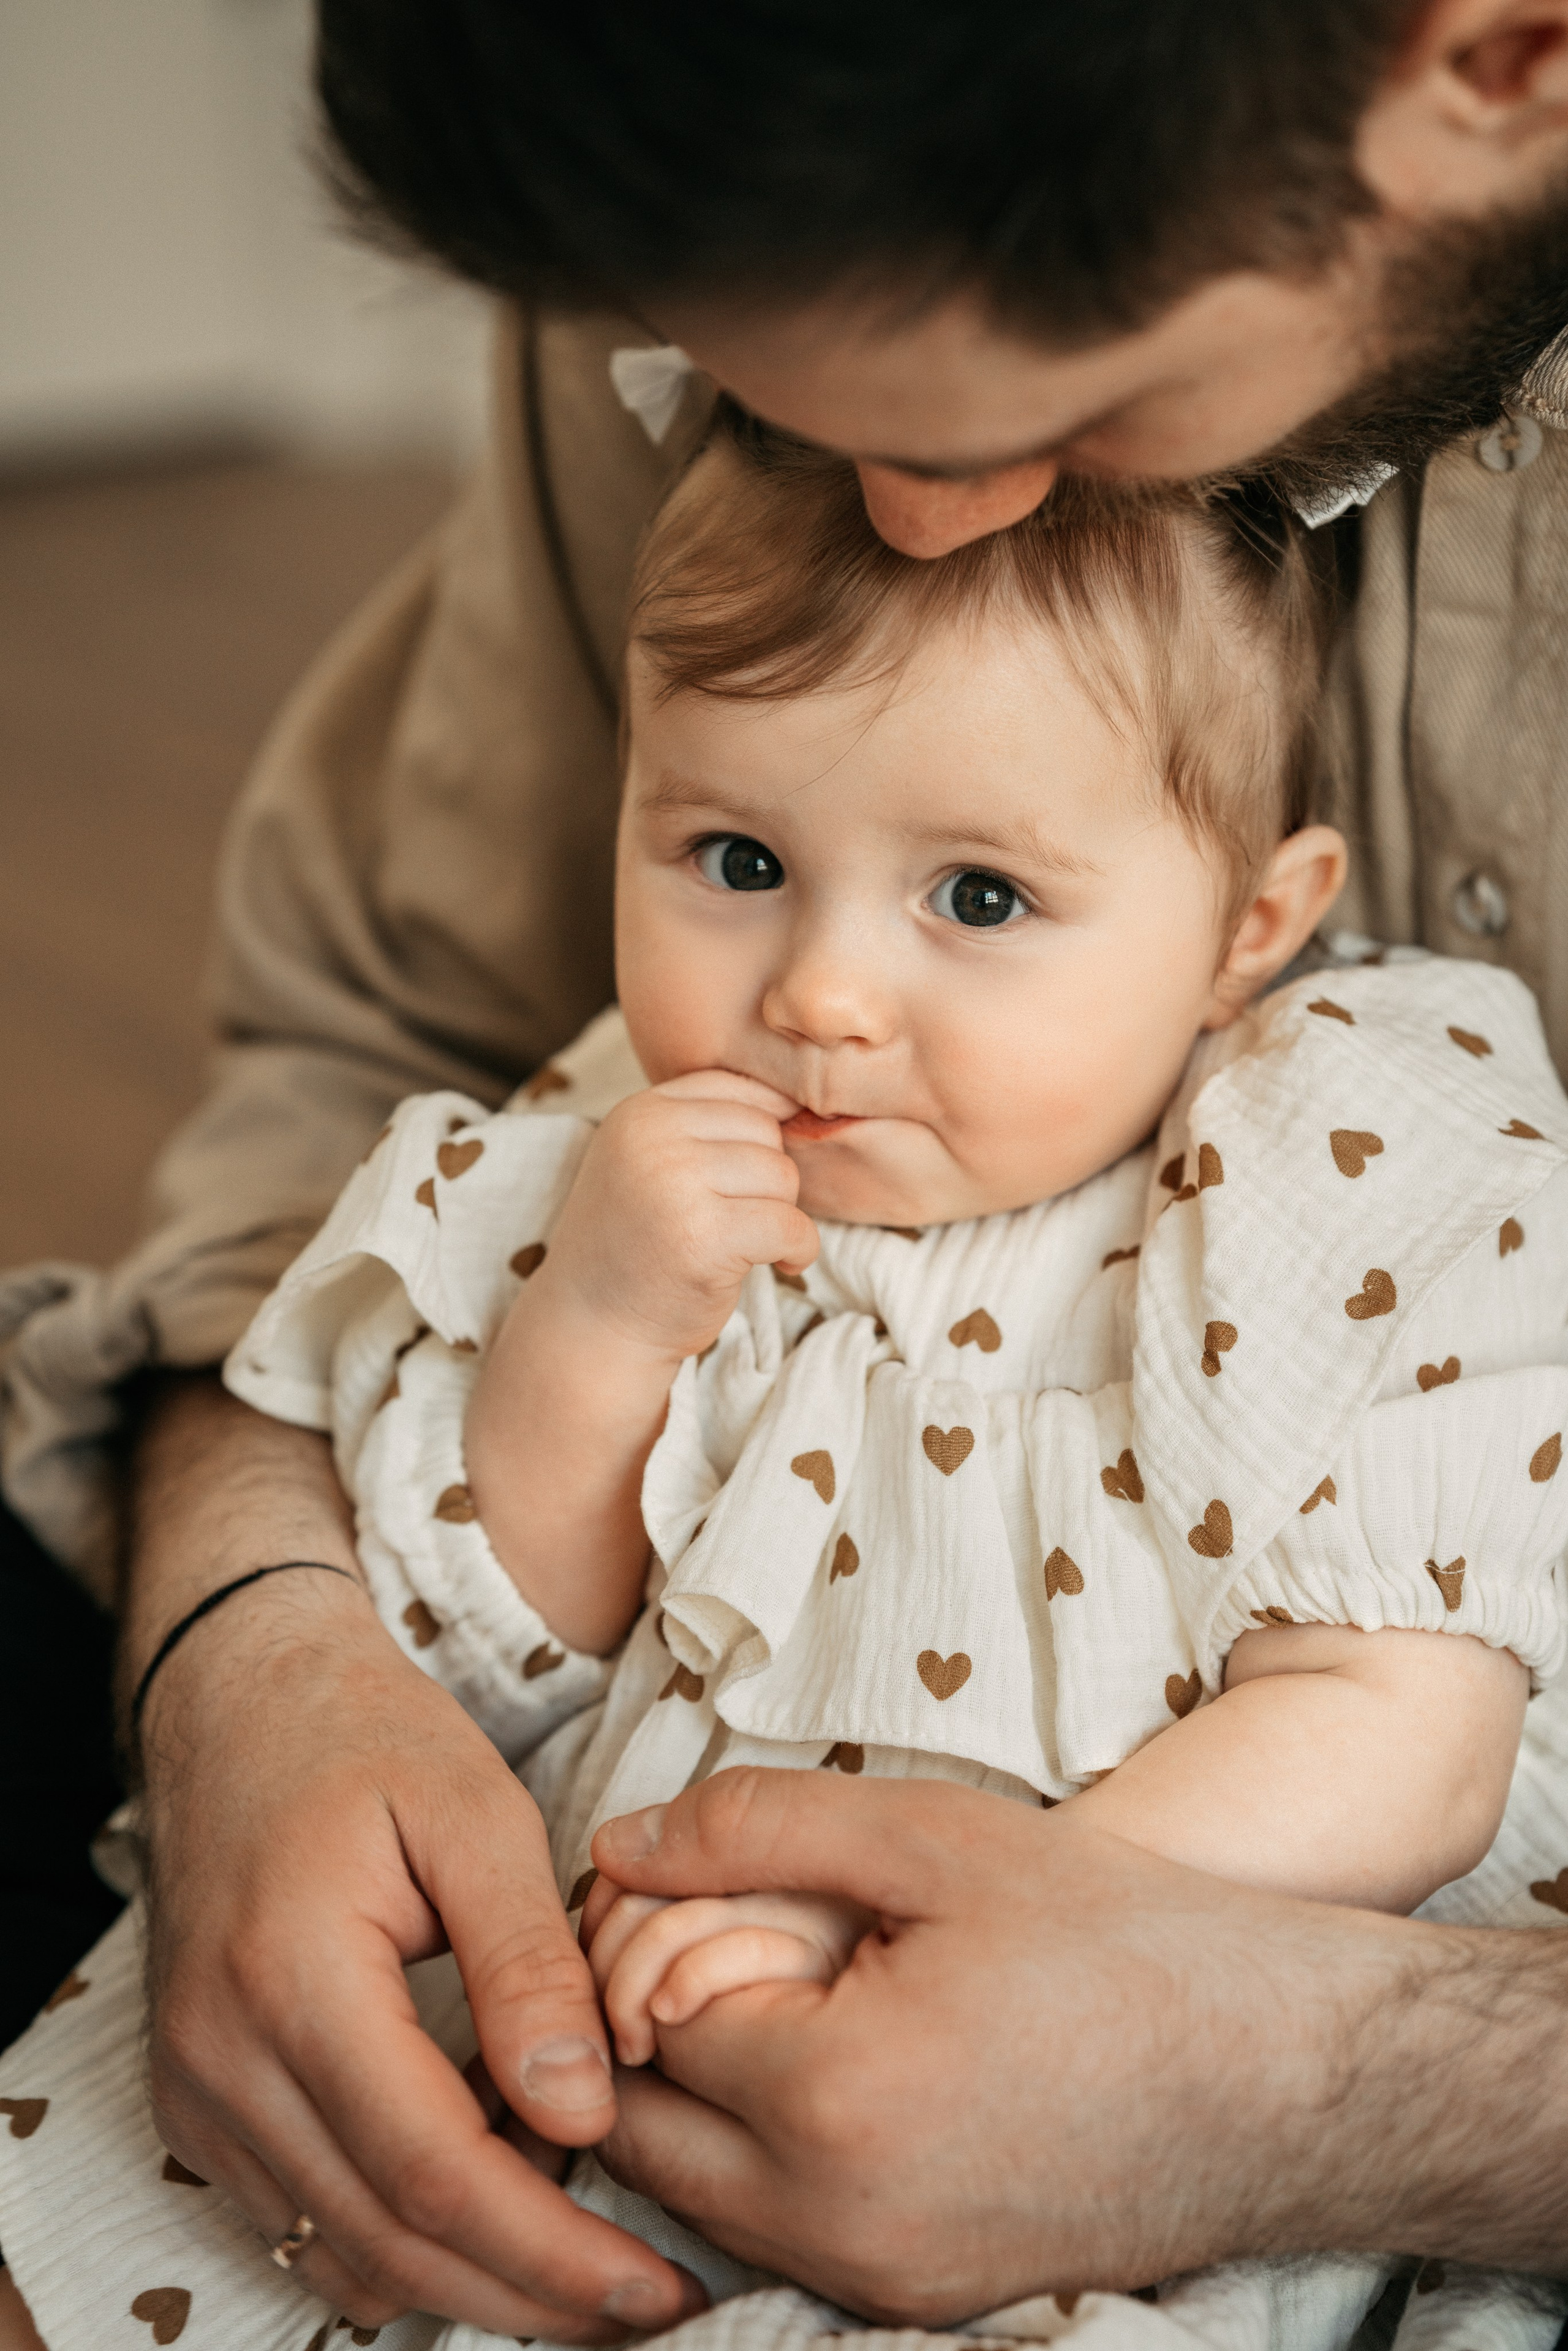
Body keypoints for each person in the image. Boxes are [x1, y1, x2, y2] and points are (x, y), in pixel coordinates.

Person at [8, 0, 1568, 2336]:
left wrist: (1273, 2052)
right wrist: (251, 1642)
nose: (901, 515)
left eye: (1057, 402)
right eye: (736, 857)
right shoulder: (739, 154)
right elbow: (361, 1075)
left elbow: (1403, 1724)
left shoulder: (1351, 1144)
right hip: (590, 1924)